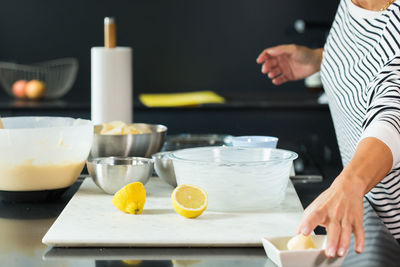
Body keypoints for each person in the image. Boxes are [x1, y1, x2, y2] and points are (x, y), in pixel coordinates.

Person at [257, 0, 400, 258]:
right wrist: (321, 59)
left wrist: (350, 184)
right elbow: (375, 53)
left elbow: (393, 113)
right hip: (371, 217)